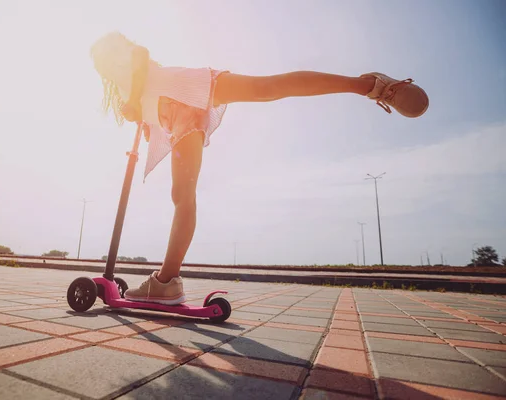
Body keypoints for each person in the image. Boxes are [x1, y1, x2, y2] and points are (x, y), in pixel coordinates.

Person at [90, 31, 429, 305]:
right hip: (179, 118)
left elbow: (139, 56)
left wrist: (134, 102)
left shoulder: (136, 62)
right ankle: (167, 281)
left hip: (189, 87)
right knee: (182, 194)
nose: (111, 58)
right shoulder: (123, 87)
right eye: (103, 60)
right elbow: (145, 108)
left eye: (110, 51)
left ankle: (370, 84)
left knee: (268, 87)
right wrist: (141, 115)